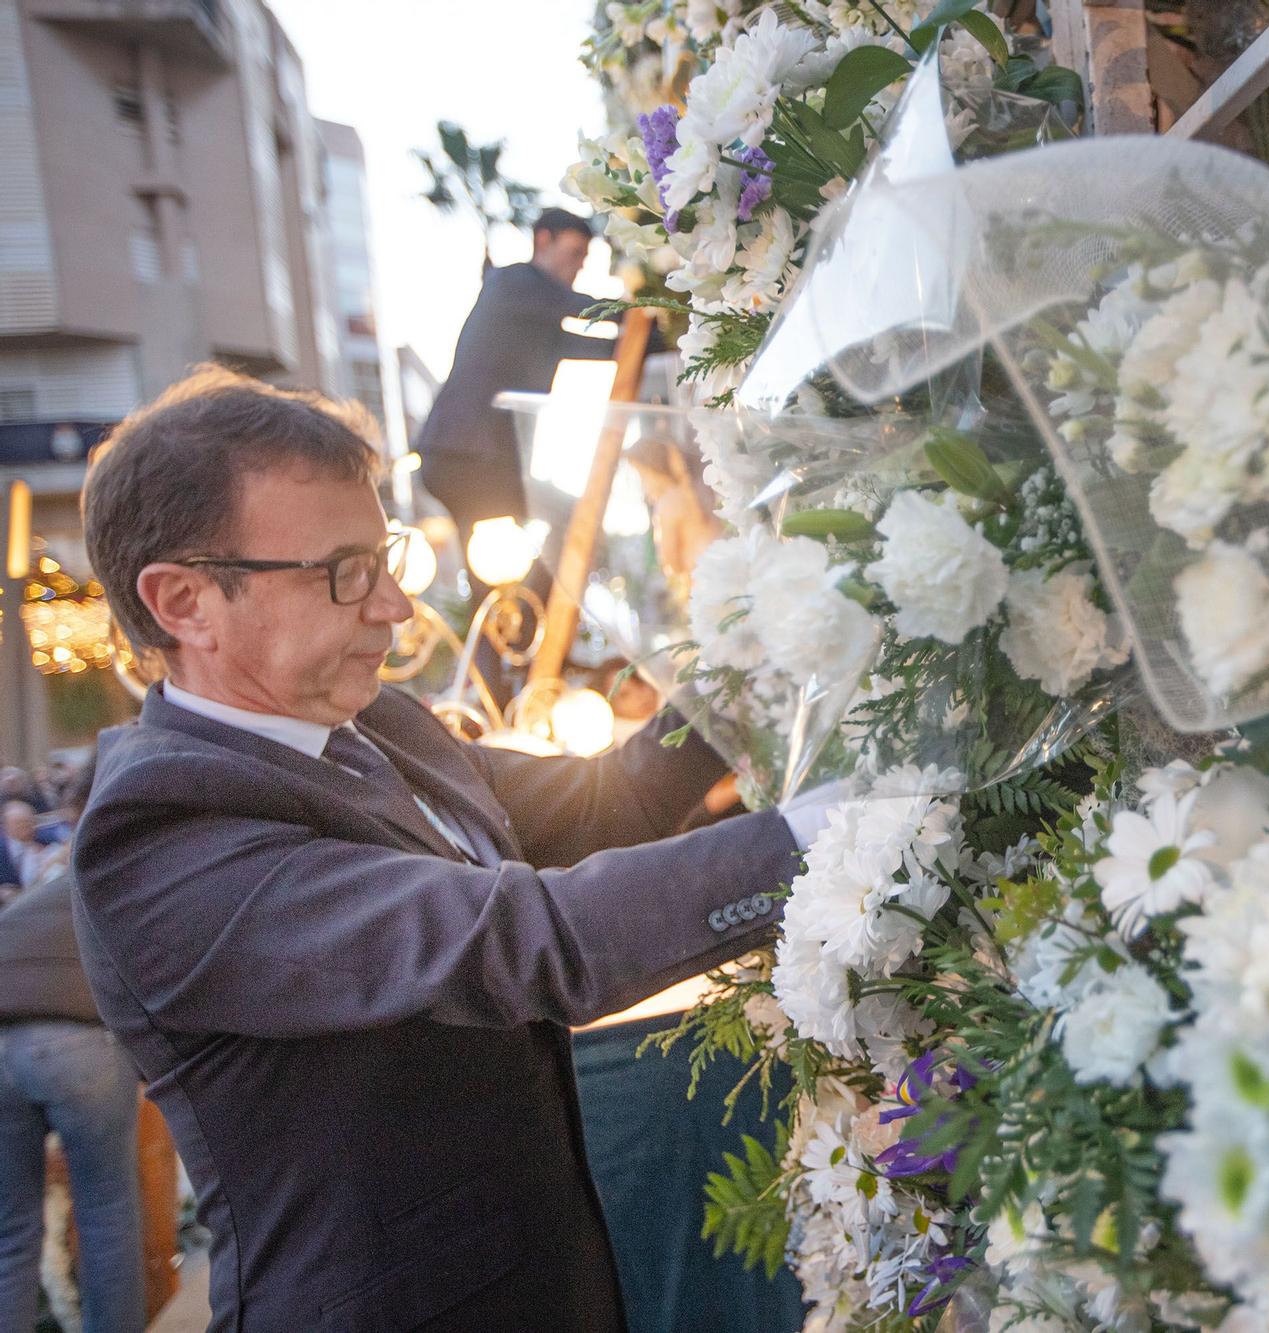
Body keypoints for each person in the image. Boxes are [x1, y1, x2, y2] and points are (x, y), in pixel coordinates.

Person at [72, 366, 835, 1331]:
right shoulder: (160, 839)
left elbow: (610, 798)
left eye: (384, 556)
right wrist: (826, 836)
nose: (394, 606)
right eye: (344, 572)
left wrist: (762, 658)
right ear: (183, 602)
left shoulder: (378, 721)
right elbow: (523, 940)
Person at [417, 207, 647, 596]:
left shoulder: (535, 319)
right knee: (573, 519)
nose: (578, 266)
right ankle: (531, 622)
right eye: (575, 253)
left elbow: (605, 347)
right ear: (544, 240)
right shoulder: (513, 283)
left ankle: (517, 631)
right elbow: (581, 307)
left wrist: (654, 336)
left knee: (489, 581)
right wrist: (642, 310)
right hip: (464, 456)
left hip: (477, 459)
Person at [0, 776, 148, 1333]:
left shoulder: (45, 892)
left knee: (11, 1233)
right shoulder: (122, 880)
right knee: (108, 1214)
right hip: (76, 1043)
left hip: (1, 1045)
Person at [0, 801, 56, 898]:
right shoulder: (2, 849)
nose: (25, 827)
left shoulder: (47, 840)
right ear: (5, 826)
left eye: (28, 822)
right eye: (18, 823)